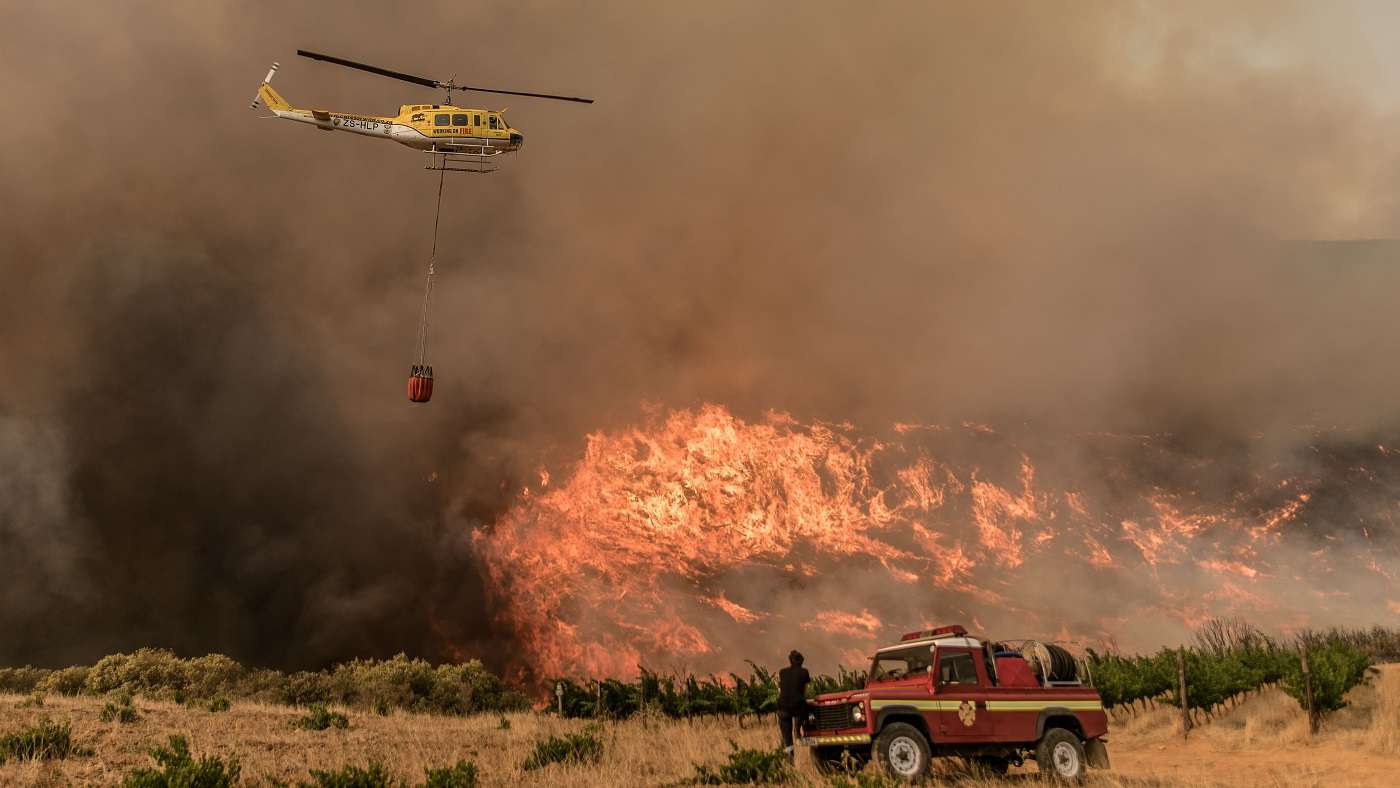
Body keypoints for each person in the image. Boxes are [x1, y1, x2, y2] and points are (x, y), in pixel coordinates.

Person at [777, 649, 810, 763]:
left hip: (783, 708)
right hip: (798, 707)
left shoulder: (782, 672)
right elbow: (804, 693)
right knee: (806, 707)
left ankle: (790, 763)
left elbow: (781, 689)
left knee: (787, 739)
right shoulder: (804, 672)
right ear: (801, 661)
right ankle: (798, 731)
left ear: (790, 661)